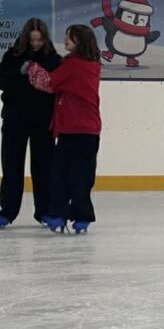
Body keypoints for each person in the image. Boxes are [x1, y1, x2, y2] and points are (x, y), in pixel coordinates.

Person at [27, 25, 101, 234]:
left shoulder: (73, 65)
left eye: (70, 38)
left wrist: (32, 68)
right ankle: (80, 216)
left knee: (61, 175)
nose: (66, 40)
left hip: (74, 129)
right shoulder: (92, 65)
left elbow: (48, 83)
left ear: (81, 41)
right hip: (88, 130)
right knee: (81, 176)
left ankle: (59, 214)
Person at [0, 18, 61, 228]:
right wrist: (19, 72)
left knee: (43, 167)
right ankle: (7, 211)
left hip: (43, 122)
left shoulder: (53, 59)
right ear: (26, 38)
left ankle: (44, 210)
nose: (35, 44)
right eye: (32, 40)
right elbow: (2, 80)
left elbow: (58, 86)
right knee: (11, 166)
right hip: (14, 119)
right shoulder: (13, 56)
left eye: (39, 40)